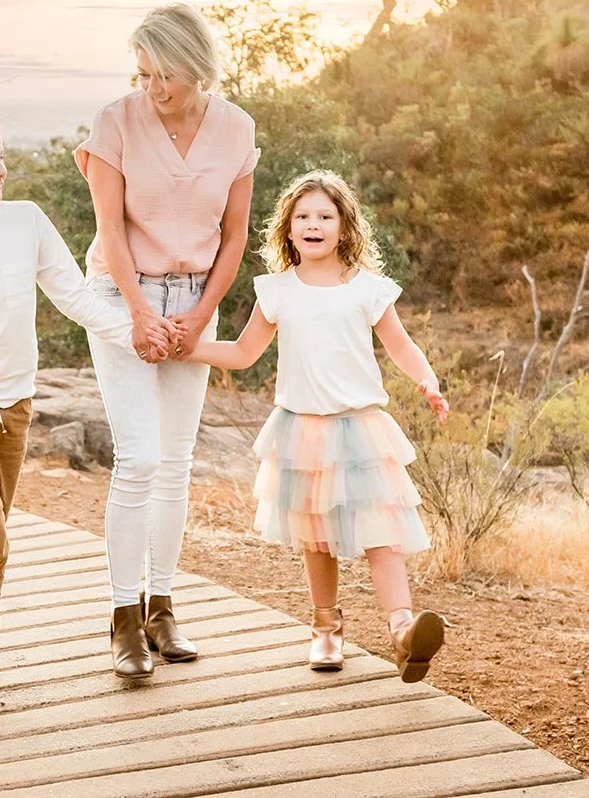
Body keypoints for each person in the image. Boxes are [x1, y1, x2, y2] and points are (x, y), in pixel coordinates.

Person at [0, 107, 175, 727]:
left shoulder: (27, 223)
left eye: (0, 157)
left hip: (12, 408)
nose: (1, 170)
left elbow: (74, 298)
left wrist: (139, 333)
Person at [184, 170, 451, 682]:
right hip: (302, 429)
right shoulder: (278, 291)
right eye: (302, 217)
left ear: (345, 229)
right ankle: (325, 629)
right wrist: (185, 347)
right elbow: (242, 353)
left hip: (361, 427)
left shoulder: (368, 290)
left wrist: (428, 379)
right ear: (287, 230)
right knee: (317, 539)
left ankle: (403, 630)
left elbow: (400, 344)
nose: (313, 224)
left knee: (383, 534)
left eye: (325, 216)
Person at [74, 3, 258, 678]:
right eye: (143, 72)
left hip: (194, 303)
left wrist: (201, 314)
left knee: (177, 464)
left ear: (197, 67)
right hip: (122, 297)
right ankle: (123, 618)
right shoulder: (115, 122)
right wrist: (138, 314)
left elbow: (235, 236)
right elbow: (112, 231)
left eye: (166, 74)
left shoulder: (236, 129)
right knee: (140, 459)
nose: (153, 87)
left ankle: (162, 608)